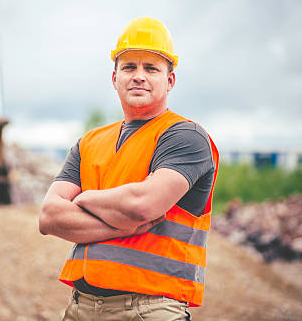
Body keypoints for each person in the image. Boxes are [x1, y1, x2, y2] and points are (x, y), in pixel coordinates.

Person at [39, 17, 219, 320]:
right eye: (129, 67)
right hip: (81, 306)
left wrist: (84, 200)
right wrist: (123, 225)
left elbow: (143, 205)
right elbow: (49, 217)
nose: (139, 76)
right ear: (114, 77)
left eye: (151, 68)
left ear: (170, 80)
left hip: (151, 309)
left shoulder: (185, 137)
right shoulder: (89, 142)